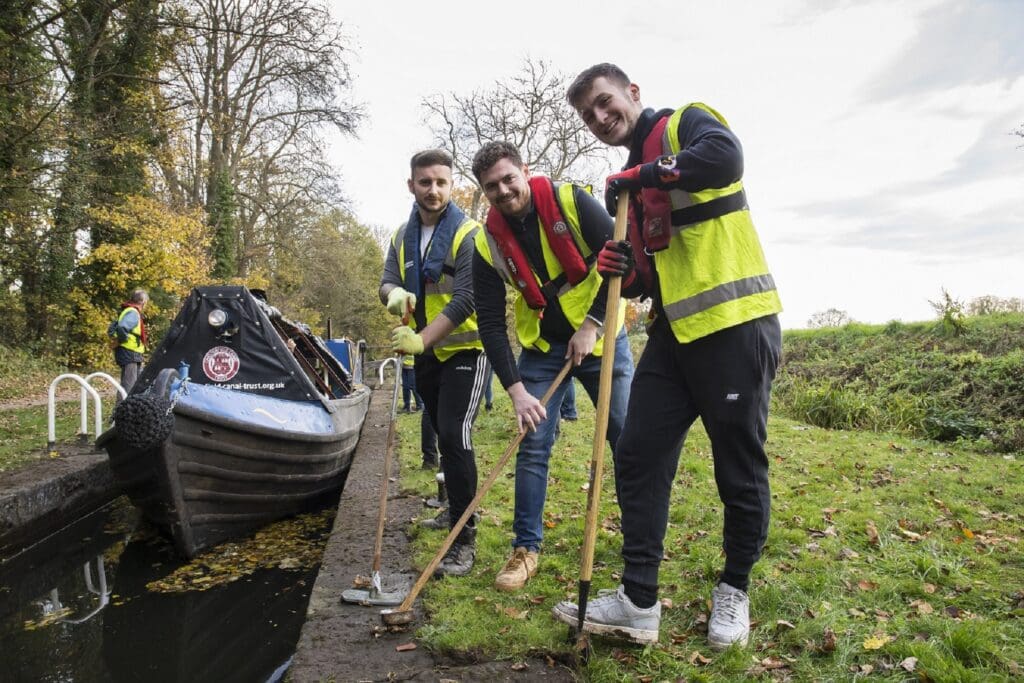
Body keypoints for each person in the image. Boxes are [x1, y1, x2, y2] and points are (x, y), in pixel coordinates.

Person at [552, 64, 783, 649]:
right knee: (636, 454)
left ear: (632, 94)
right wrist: (622, 271)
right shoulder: (631, 192)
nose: (602, 119)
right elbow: (644, 279)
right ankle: (638, 601)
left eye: (607, 103)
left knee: (737, 466)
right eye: (589, 116)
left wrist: (640, 172)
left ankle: (734, 591)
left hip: (736, 325)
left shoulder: (686, 126)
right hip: (674, 337)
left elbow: (726, 159)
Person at [470, 141, 634, 592]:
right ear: (484, 192)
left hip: (603, 340)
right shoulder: (486, 246)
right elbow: (489, 320)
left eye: (508, 179)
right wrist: (516, 391)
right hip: (542, 348)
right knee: (533, 443)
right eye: (492, 187)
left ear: (525, 170)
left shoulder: (572, 202)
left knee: (627, 439)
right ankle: (525, 550)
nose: (503, 191)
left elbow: (624, 257)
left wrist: (594, 324)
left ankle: (637, 538)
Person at [381, 149, 488, 577]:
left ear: (452, 184)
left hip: (465, 351)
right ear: (411, 185)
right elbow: (387, 279)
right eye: (425, 182)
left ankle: (465, 539)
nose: (434, 190)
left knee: (454, 433)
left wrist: (421, 340)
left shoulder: (469, 234)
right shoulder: (400, 235)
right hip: (423, 355)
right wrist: (392, 295)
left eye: (442, 182)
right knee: (443, 436)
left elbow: (465, 299)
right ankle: (451, 510)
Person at [110, 289, 149, 399]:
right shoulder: (133, 312)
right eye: (146, 301)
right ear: (142, 301)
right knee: (128, 385)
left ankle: (130, 409)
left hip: (133, 353)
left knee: (134, 384)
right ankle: (121, 412)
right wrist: (121, 341)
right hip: (129, 352)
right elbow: (123, 327)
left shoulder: (129, 310)